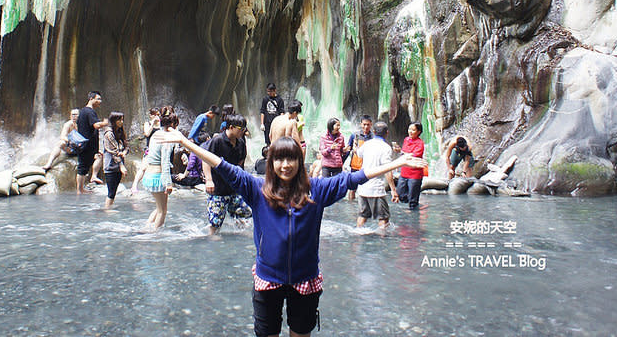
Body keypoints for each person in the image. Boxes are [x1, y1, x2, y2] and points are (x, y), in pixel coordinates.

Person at [166, 133, 426, 337]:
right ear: (271, 163)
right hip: (268, 280)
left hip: (305, 280)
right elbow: (223, 166)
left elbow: (354, 178)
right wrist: (184, 142)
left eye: (291, 159)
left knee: (301, 333)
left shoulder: (317, 189)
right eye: (279, 159)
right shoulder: (257, 189)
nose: (285, 165)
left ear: (300, 162)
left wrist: (398, 162)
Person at [203, 114, 252, 234]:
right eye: (241, 129)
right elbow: (206, 160)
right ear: (230, 127)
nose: (243, 132)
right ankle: (212, 238)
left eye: (244, 129)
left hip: (234, 189)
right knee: (215, 222)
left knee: (246, 214)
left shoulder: (240, 143)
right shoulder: (218, 141)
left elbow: (240, 164)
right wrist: (209, 180)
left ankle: (240, 234)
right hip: (218, 190)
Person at [141, 106, 180, 229]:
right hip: (158, 177)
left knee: (158, 208)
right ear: (173, 124)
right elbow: (164, 162)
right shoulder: (166, 139)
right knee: (163, 211)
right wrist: (168, 183)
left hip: (149, 175)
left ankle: (146, 227)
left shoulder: (156, 134)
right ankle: (154, 235)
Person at [355, 121, 398, 230]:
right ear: (387, 133)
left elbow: (358, 154)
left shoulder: (367, 144)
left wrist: (354, 146)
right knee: (383, 218)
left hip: (363, 187)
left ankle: (358, 236)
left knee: (362, 215)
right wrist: (393, 190)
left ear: (373, 132)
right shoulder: (386, 148)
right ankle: (382, 243)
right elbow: (388, 170)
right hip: (376, 189)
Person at [76, 91, 109, 194]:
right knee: (83, 167)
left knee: (93, 160)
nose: (100, 101)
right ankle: (80, 190)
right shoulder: (89, 112)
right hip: (86, 145)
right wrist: (105, 123)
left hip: (87, 144)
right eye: (98, 99)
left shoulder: (83, 111)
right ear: (91, 99)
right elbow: (96, 125)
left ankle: (88, 181)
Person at [100, 112, 129, 208]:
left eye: (122, 120)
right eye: (119, 120)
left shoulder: (120, 131)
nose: (121, 122)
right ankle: (107, 209)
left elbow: (126, 146)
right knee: (111, 191)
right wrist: (121, 165)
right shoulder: (109, 134)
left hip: (118, 167)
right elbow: (113, 151)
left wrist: (124, 152)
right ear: (113, 121)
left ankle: (109, 207)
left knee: (114, 190)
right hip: (111, 166)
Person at [396, 121, 426, 210]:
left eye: (413, 130)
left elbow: (413, 156)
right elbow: (404, 153)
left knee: (413, 200)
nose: (410, 131)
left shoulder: (420, 143)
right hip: (404, 172)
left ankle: (414, 218)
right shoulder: (406, 139)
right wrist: (399, 150)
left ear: (419, 132)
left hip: (415, 174)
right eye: (409, 129)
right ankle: (407, 210)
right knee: (400, 194)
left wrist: (401, 152)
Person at [344, 115, 375, 200]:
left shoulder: (373, 137)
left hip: (367, 167)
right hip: (355, 165)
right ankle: (351, 207)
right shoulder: (355, 135)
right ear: (360, 124)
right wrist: (341, 162)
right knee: (352, 189)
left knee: (367, 188)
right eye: (364, 124)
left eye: (368, 124)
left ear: (371, 124)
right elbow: (348, 150)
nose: (366, 127)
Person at [132, 107, 160, 193]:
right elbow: (147, 134)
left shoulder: (161, 125)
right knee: (143, 168)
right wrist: (152, 124)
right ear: (151, 115)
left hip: (159, 150)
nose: (157, 117)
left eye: (158, 115)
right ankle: (134, 185)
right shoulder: (147, 124)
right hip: (150, 149)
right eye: (155, 115)